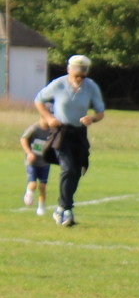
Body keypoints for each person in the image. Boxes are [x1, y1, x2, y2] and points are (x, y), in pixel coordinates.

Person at [34, 54, 105, 228]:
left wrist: (92, 118)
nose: (80, 79)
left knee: (76, 171)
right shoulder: (58, 84)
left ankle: (62, 207)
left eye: (83, 76)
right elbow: (39, 101)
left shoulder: (91, 87)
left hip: (79, 133)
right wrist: (49, 118)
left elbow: (100, 112)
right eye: (77, 75)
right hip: (61, 132)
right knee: (67, 168)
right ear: (69, 70)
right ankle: (66, 209)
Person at [20, 116, 54, 214]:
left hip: (45, 162)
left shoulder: (52, 131)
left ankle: (41, 207)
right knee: (33, 184)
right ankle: (29, 193)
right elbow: (23, 139)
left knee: (43, 186)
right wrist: (29, 153)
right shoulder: (34, 129)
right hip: (32, 162)